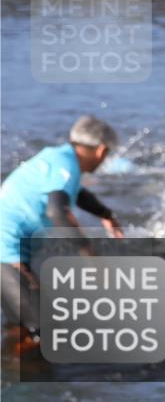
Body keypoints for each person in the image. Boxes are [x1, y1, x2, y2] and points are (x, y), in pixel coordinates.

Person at [0, 116, 124, 349]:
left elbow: (75, 193)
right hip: (6, 252)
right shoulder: (66, 165)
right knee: (45, 333)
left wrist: (105, 214)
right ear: (101, 150)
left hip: (11, 250)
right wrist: (91, 259)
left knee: (22, 327)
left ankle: (18, 366)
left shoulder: (60, 158)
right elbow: (58, 211)